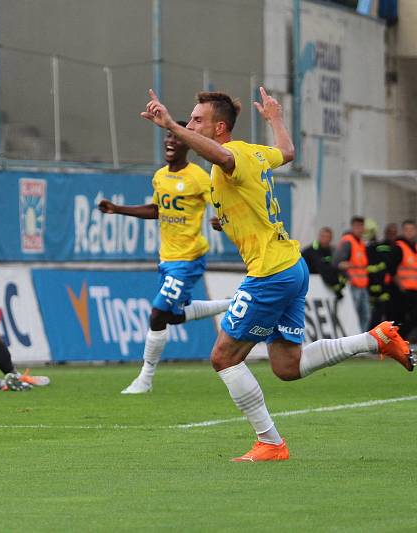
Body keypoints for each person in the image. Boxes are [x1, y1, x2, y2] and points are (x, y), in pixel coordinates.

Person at [140, 86, 414, 461]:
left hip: (270, 272)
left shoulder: (231, 154)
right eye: (188, 119)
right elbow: (286, 152)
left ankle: (270, 443)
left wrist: (169, 124)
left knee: (223, 357)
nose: (190, 124)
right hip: (290, 265)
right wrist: (275, 119)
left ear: (220, 127)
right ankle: (375, 339)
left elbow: (221, 155)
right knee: (288, 365)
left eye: (197, 120)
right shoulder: (253, 151)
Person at [98, 122, 230, 394]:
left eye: (176, 137)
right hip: (166, 260)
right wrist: (117, 209)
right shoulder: (159, 176)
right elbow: (157, 210)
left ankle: (145, 378)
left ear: (188, 143)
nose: (170, 141)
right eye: (168, 136)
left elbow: (221, 204)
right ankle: (229, 304)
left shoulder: (199, 177)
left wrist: (222, 219)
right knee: (172, 316)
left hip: (189, 259)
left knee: (157, 313)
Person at [335, 216, 370, 330]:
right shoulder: (348, 241)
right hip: (353, 285)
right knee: (354, 316)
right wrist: (348, 270)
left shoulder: (361, 243)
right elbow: (337, 263)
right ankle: (355, 340)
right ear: (352, 227)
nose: (359, 229)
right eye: (357, 226)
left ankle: (361, 340)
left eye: (361, 226)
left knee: (365, 315)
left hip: (362, 285)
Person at [366, 222, 400, 328]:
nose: (392, 235)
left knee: (392, 313)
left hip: (393, 285)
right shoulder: (379, 246)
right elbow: (378, 268)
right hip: (382, 285)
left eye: (394, 233)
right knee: (379, 313)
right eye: (390, 232)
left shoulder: (398, 247)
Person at [300, 226, 344, 300]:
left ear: (331, 238)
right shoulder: (311, 251)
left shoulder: (333, 250)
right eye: (323, 236)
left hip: (323, 289)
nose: (325, 239)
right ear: (319, 236)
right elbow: (323, 269)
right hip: (310, 286)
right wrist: (337, 288)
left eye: (327, 237)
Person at [393, 220, 417, 341]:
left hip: (414, 290)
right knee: (401, 318)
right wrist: (400, 284)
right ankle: (398, 341)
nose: (409, 232)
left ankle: (401, 341)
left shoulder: (414, 248)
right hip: (403, 290)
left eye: (412, 230)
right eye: (407, 230)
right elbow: (392, 268)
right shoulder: (399, 247)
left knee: (412, 318)